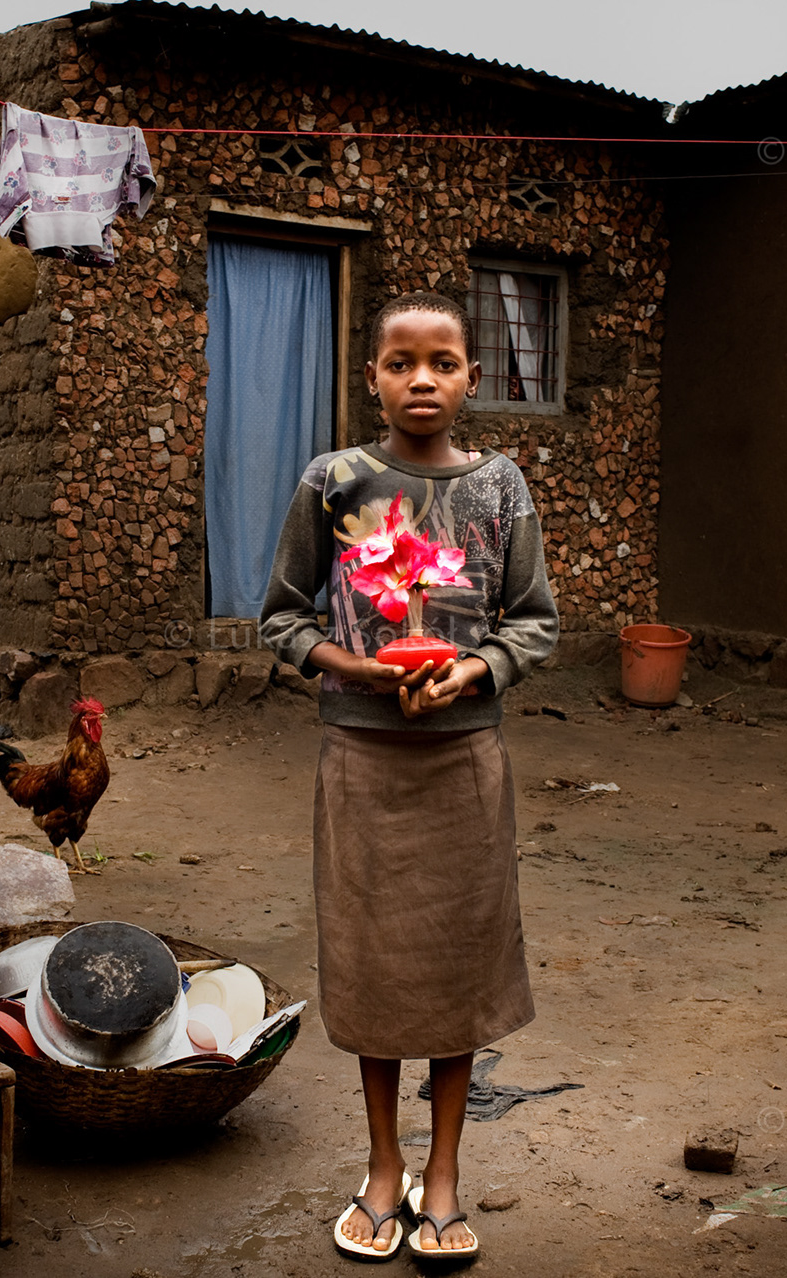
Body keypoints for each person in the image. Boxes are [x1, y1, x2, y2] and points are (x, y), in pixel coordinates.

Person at [260, 291, 559, 1261]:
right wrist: (356, 670)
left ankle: (444, 1171)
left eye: (443, 362)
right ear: (372, 377)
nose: (421, 379)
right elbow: (282, 616)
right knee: (376, 966)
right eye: (401, 362)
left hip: (464, 765)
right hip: (362, 763)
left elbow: (535, 621)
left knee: (455, 970)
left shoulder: (503, 488)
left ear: (474, 376)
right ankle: (383, 1164)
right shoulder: (335, 483)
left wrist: (469, 668)